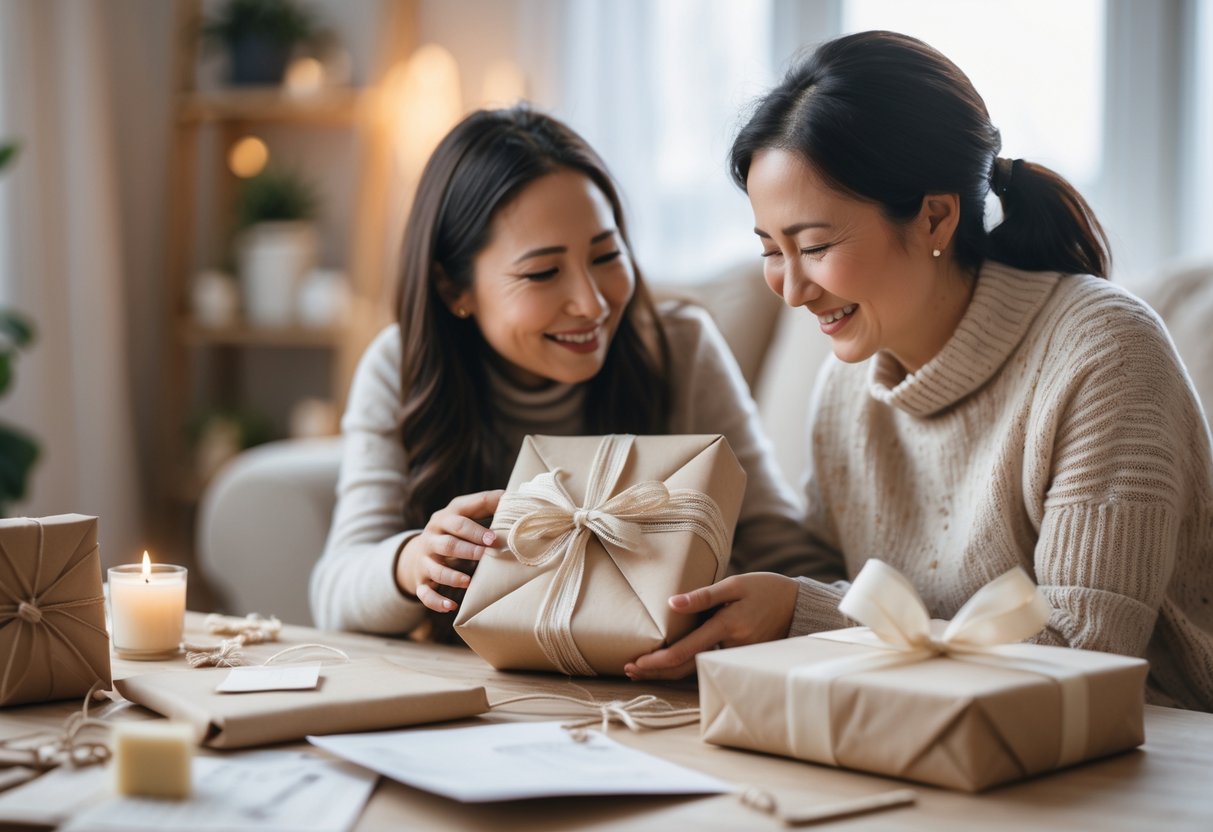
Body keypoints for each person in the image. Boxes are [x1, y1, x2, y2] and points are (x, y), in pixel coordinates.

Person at [633, 30, 1213, 708]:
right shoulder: (850, 383)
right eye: (769, 249)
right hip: (921, 729)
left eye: (814, 246)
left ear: (935, 217)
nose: (790, 289)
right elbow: (823, 576)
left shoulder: (1103, 352)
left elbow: (1080, 656)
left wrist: (805, 612)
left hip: (1143, 749)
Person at [310, 106, 829, 663]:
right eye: (542, 273)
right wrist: (412, 561)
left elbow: (789, 556)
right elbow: (334, 592)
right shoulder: (400, 365)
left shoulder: (679, 346)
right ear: (454, 288)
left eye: (607, 255)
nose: (593, 303)